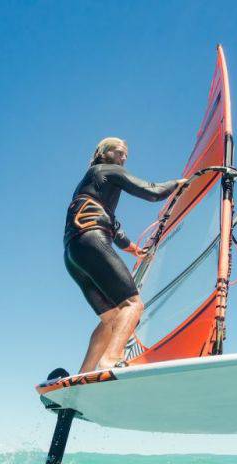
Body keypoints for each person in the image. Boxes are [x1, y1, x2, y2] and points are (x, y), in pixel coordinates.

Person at [64, 137, 185, 373]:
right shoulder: (107, 170)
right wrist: (178, 184)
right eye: (120, 152)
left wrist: (135, 250)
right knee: (133, 305)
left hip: (74, 253)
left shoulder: (91, 185)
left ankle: (85, 373)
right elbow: (153, 192)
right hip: (92, 242)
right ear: (103, 153)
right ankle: (111, 360)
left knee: (111, 319)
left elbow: (112, 227)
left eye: (126, 154)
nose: (124, 157)